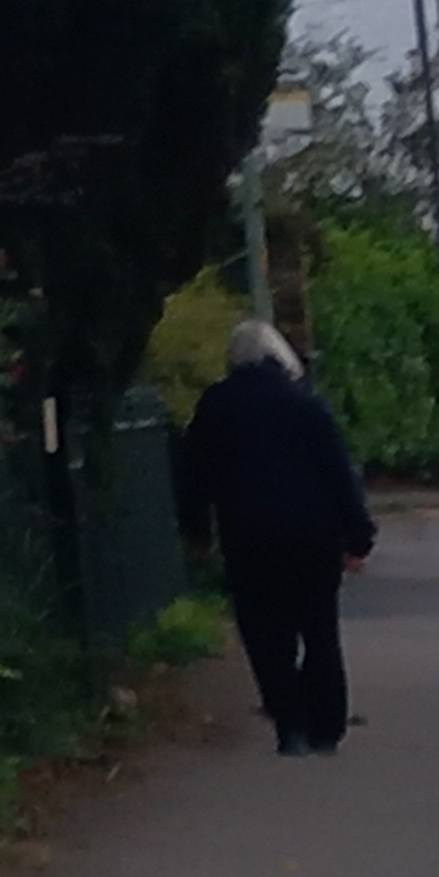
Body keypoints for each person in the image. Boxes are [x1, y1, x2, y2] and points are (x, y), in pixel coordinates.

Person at [170, 309, 377, 753]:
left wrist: (197, 533)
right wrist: (358, 537)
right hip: (313, 539)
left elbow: (194, 476)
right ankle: (326, 727)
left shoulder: (216, 406)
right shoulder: (307, 405)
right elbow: (338, 475)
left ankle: (290, 725)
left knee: (266, 635)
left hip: (249, 537)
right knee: (320, 632)